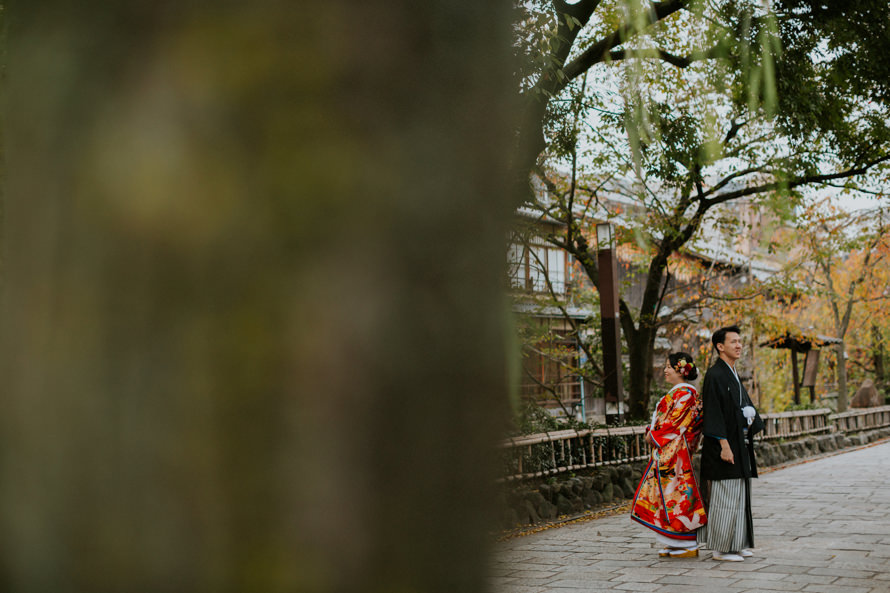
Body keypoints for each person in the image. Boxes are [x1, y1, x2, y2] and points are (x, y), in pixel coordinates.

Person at [697, 325, 765, 562]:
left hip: (739, 442)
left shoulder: (732, 373)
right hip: (723, 446)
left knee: (739, 495)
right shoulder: (715, 375)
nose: (738, 345)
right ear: (720, 346)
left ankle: (737, 544)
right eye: (733, 341)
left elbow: (742, 405)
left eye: (740, 341)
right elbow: (714, 413)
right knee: (725, 496)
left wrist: (751, 417)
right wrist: (723, 445)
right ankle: (721, 548)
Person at [631, 352, 707, 558]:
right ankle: (673, 541)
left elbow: (673, 424)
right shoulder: (682, 393)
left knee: (678, 496)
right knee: (667, 497)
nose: (665, 370)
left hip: (677, 453)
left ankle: (687, 543)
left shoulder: (686, 394)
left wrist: (652, 435)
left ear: (681, 371)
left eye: (669, 367)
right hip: (671, 451)